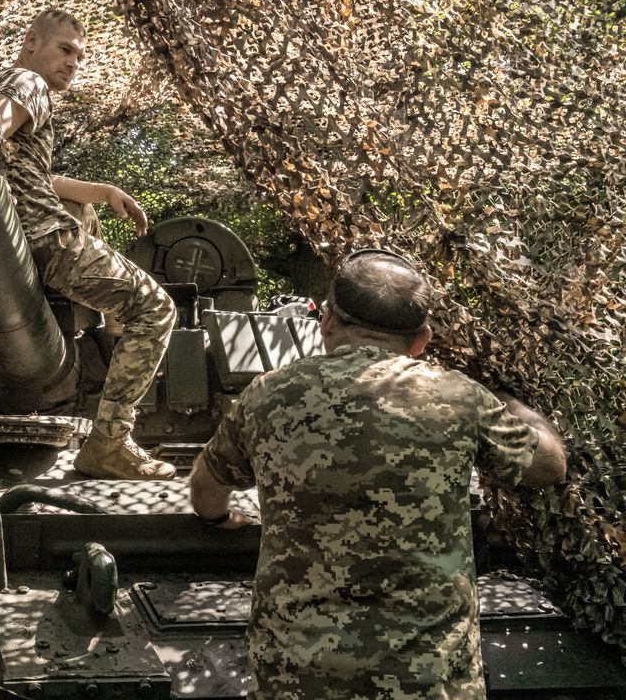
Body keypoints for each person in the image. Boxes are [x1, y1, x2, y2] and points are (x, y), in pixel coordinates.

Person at [189, 248, 567, 699]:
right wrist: (518, 406)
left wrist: (216, 519)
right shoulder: (460, 397)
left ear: (327, 321)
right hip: (428, 676)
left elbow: (206, 486)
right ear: (422, 339)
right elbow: (549, 466)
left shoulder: (269, 394)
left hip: (298, 675)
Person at [0, 8, 177, 480]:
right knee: (157, 308)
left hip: (25, 236)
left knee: (85, 209)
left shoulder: (9, 85)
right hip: (49, 240)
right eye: (65, 50)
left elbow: (31, 174)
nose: (73, 63)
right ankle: (109, 443)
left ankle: (112, 326)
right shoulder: (26, 84)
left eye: (80, 56)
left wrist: (106, 192)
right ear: (31, 41)